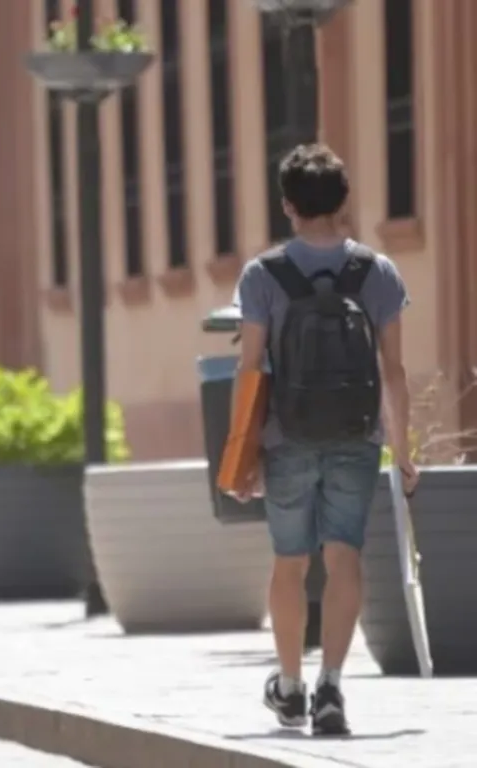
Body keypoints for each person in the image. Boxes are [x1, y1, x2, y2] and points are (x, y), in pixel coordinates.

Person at [230, 144, 415, 737]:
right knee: (344, 557)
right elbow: (394, 370)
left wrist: (244, 452)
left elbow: (250, 367)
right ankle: (331, 686)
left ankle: (289, 688)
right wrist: (403, 450)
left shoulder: (264, 275)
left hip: (287, 436)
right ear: (344, 201)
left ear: (288, 206)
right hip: (357, 436)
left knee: (290, 562)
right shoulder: (376, 272)